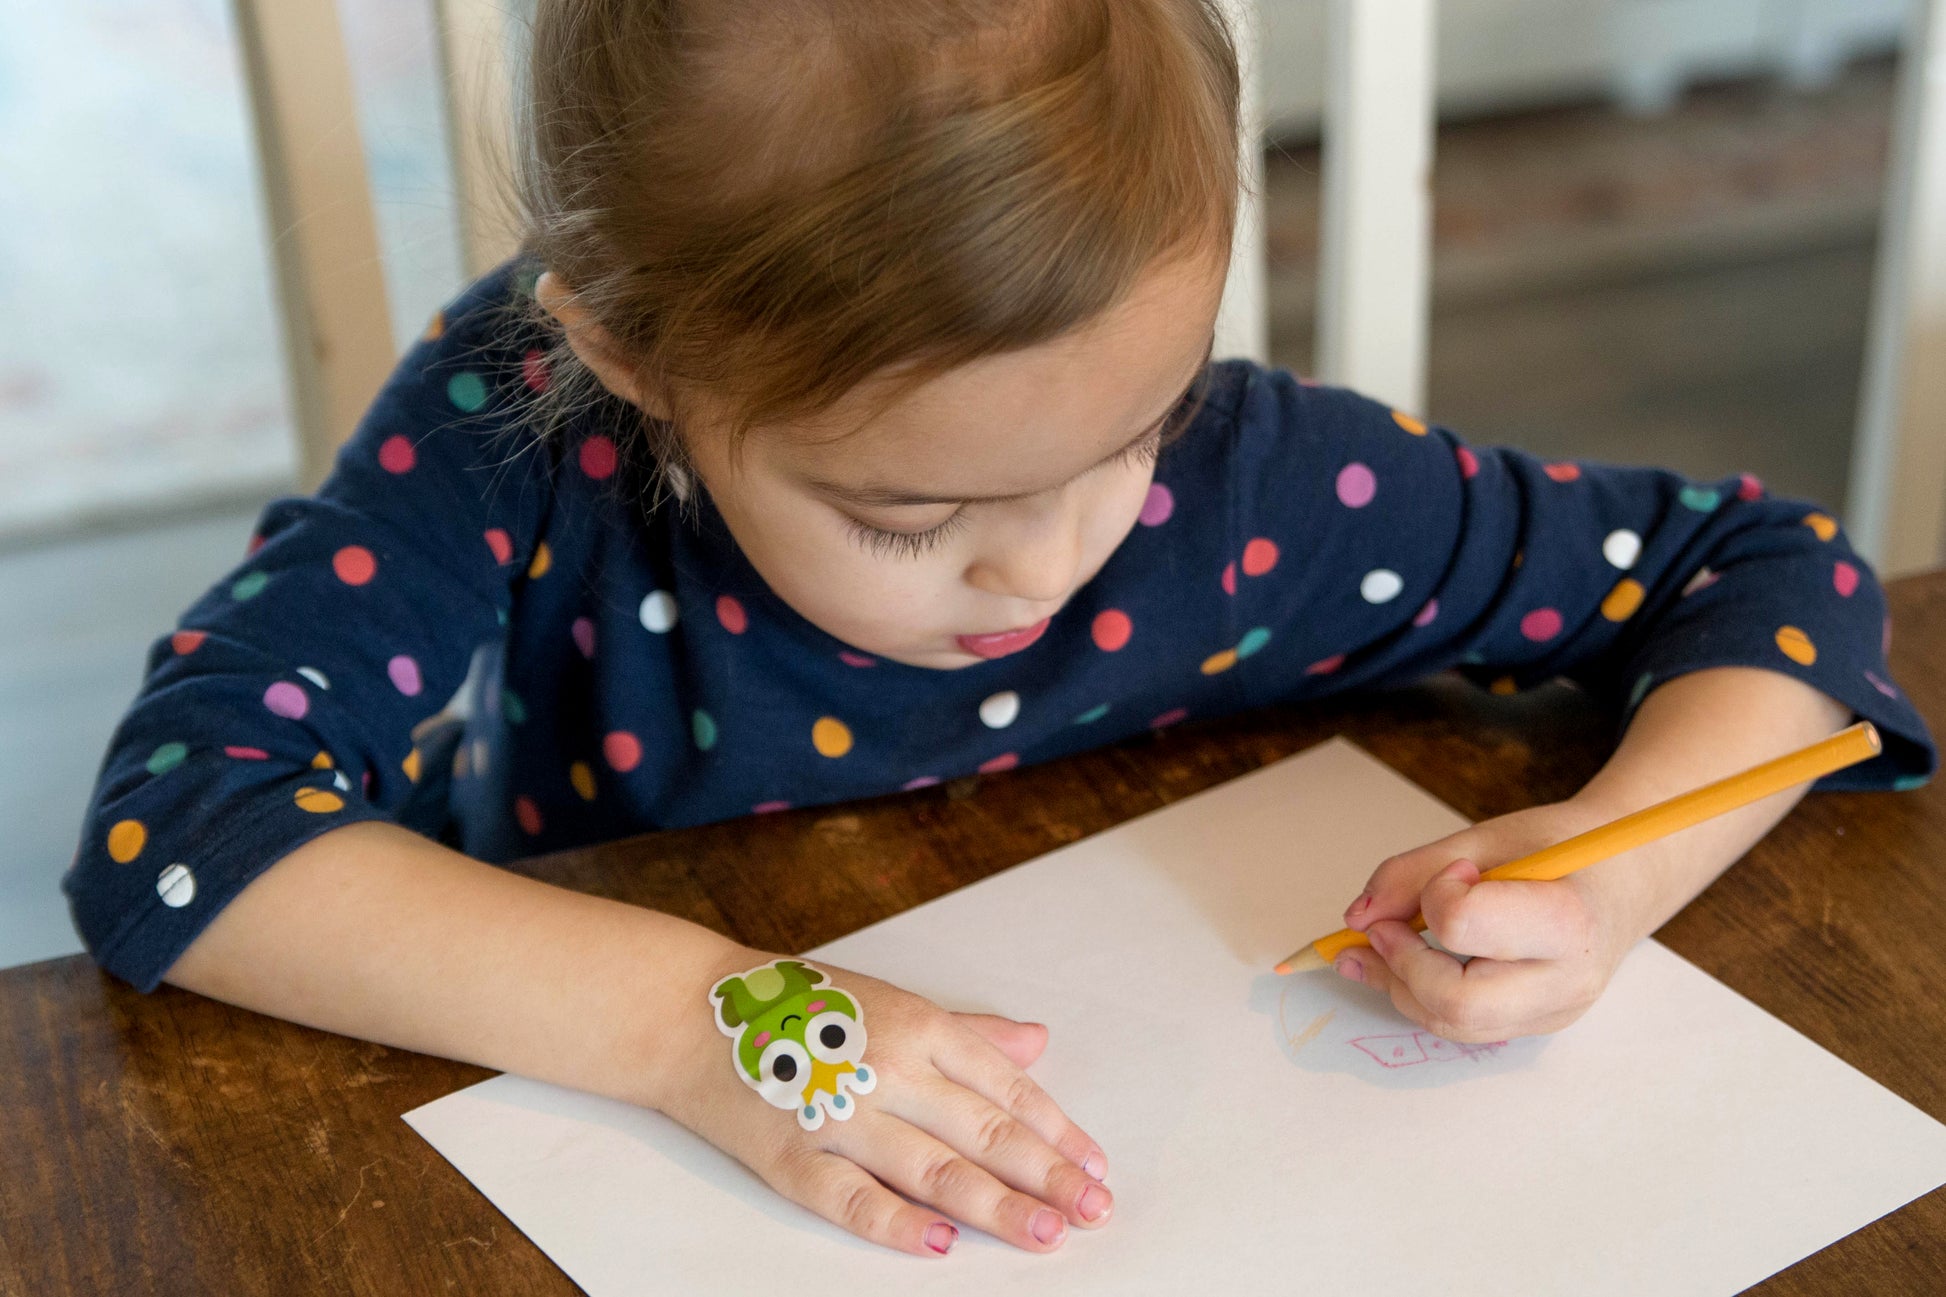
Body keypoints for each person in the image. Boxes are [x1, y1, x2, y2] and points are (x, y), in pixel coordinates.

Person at [65, 0, 1933, 1260]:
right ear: (629, 361)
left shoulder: (1260, 491)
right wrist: (689, 1025)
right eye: (909, 512)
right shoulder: (519, 421)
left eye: (1130, 432)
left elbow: (1770, 576)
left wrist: (1608, 884)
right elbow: (182, 824)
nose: (1048, 564)